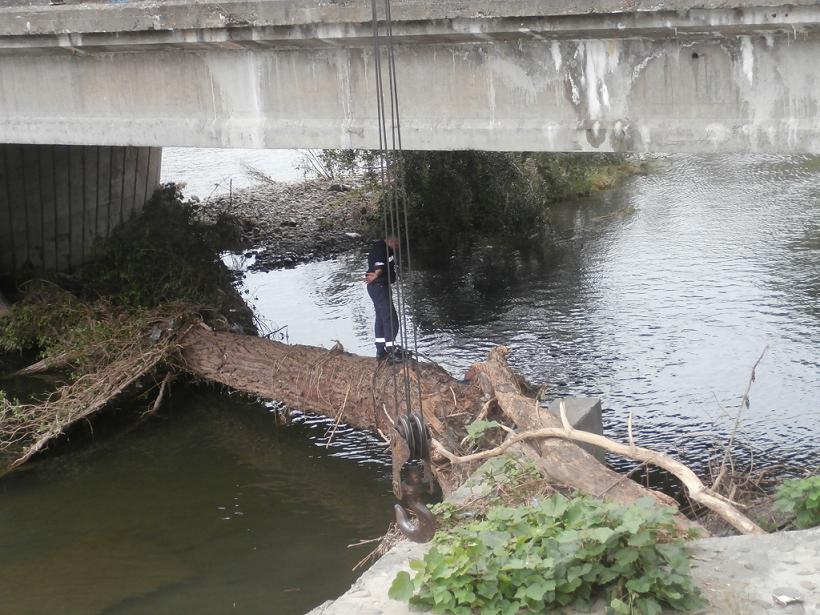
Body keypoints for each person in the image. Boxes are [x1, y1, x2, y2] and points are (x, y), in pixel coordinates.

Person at [365, 235, 408, 362]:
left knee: (381, 318)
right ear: (391, 241)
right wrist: (376, 274)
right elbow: (379, 264)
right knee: (391, 319)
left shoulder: (387, 250)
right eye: (397, 245)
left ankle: (380, 350)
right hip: (379, 286)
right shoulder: (381, 247)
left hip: (379, 287)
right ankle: (391, 352)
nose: (398, 248)